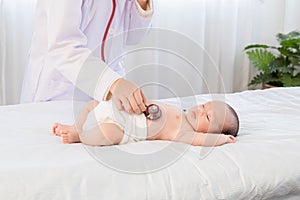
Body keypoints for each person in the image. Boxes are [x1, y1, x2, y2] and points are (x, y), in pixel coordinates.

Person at [20, 0, 154, 114]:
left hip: (107, 95)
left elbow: (133, 37)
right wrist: (113, 83)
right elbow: (63, 47)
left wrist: (141, 2)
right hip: (60, 93)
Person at [52, 99, 239, 147]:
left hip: (127, 129)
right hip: (124, 109)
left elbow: (202, 141)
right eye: (205, 105)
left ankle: (79, 135)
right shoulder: (180, 111)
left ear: (209, 133)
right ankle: (75, 125)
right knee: (92, 105)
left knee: (107, 134)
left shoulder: (185, 133)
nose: (201, 110)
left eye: (207, 117)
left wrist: (222, 139)